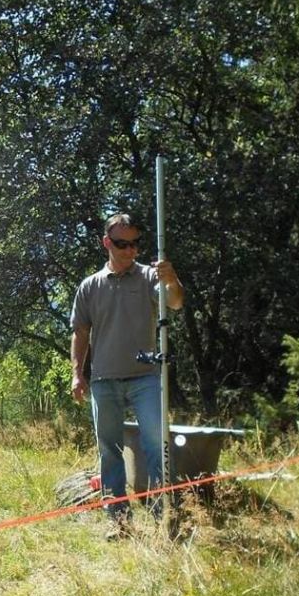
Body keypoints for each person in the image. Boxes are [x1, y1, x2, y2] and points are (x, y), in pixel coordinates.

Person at [70, 213, 184, 539]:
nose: (130, 250)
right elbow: (80, 332)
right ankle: (119, 522)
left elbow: (175, 303)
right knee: (110, 450)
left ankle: (167, 518)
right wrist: (77, 375)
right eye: (122, 244)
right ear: (107, 243)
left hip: (146, 377)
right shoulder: (90, 286)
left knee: (156, 444)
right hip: (104, 380)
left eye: (134, 243)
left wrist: (172, 278)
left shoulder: (150, 277)